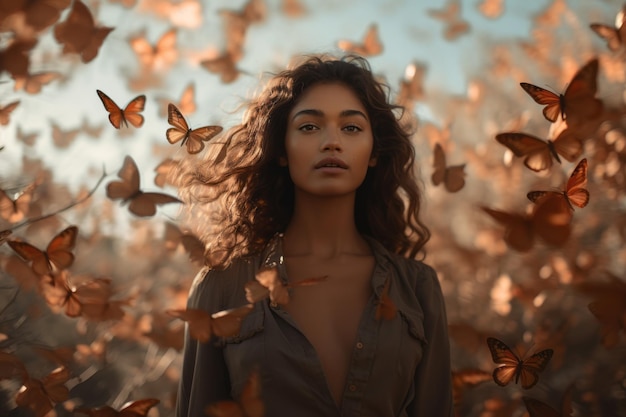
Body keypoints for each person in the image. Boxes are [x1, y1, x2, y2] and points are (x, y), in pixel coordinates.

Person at [175, 54, 454, 417]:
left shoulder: (417, 289)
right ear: (280, 150)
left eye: (351, 128)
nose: (332, 142)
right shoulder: (220, 287)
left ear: (373, 153)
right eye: (309, 127)